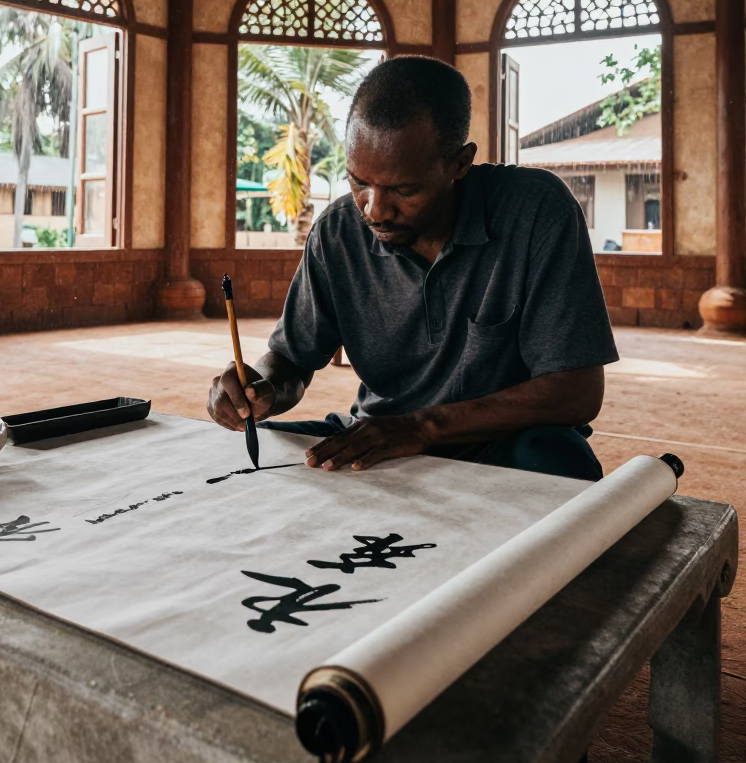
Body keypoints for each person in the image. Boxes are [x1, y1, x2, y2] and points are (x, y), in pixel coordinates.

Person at [208, 56, 618, 482]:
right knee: (255, 459)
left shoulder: (534, 212)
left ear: (459, 164)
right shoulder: (338, 233)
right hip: (378, 437)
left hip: (503, 444)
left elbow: (576, 392)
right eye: (358, 182)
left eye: (403, 190)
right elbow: (291, 361)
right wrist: (262, 389)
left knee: (558, 463)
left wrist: (422, 427)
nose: (375, 209)